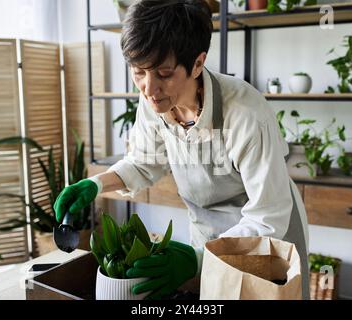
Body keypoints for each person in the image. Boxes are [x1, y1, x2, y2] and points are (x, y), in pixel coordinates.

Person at [54, 0, 309, 300]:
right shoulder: (154, 102)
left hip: (266, 239)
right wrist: (95, 184)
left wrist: (199, 259)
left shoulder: (245, 114)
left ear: (198, 63)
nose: (149, 88)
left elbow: (268, 216)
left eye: (164, 73)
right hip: (206, 237)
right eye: (139, 72)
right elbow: (142, 163)